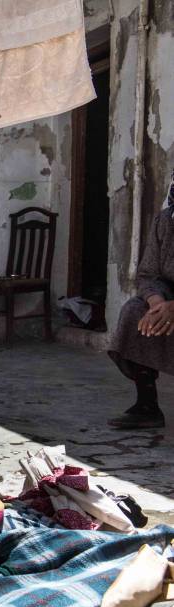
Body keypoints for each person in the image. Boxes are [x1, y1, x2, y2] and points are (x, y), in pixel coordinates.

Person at [106, 173, 174, 429]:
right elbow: (149, 273)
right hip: (166, 296)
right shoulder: (165, 222)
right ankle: (147, 406)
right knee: (133, 312)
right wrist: (158, 304)